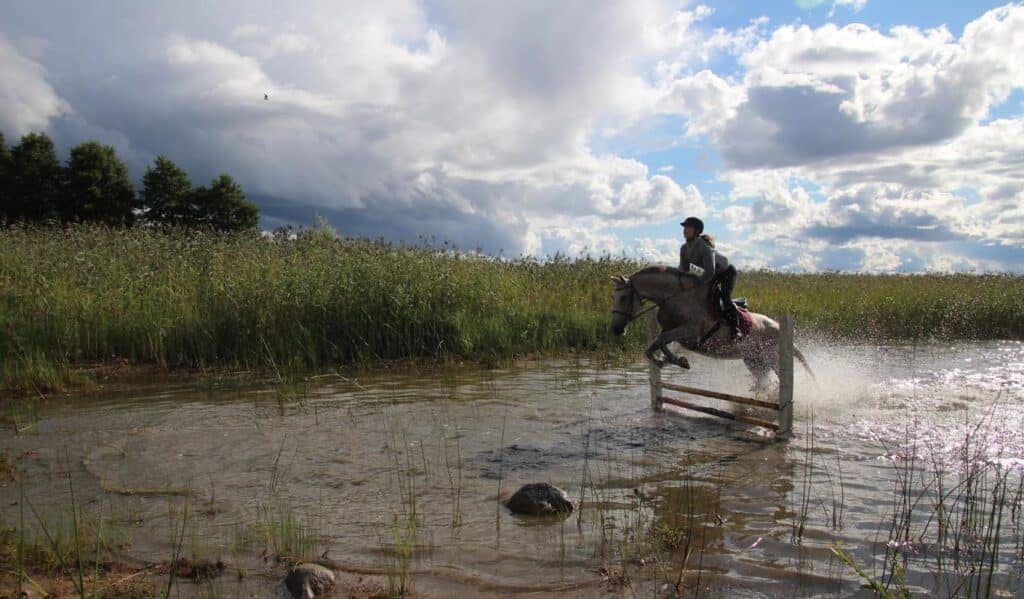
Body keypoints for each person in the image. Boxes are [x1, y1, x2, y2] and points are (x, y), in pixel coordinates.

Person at [678, 216, 742, 341]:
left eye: (688, 227)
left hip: (726, 273)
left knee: (724, 296)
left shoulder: (705, 248)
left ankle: (736, 329)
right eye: (684, 227)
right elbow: (682, 270)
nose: (685, 230)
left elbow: (709, 273)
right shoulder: (685, 249)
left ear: (696, 231)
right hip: (710, 274)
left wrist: (695, 282)